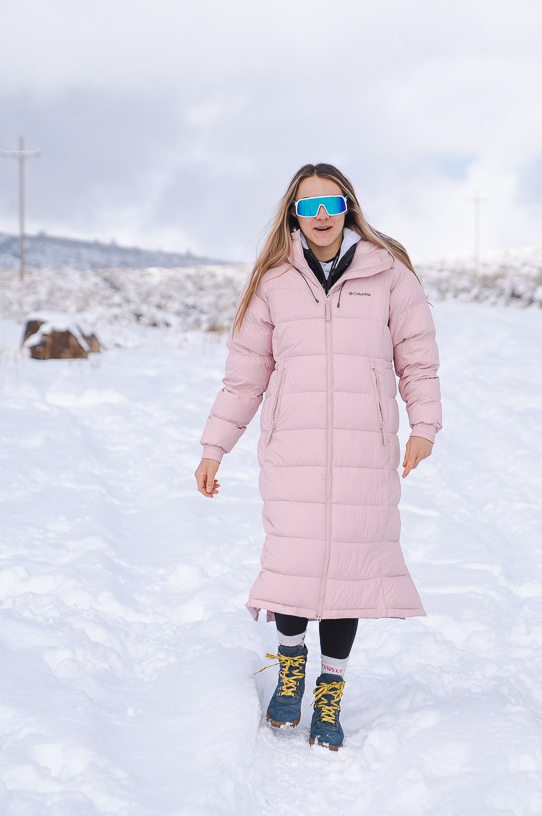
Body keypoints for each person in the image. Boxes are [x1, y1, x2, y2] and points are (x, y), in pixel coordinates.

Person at [194, 163, 441, 750]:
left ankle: (329, 698)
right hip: (294, 447)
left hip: (365, 445)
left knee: (347, 573)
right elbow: (244, 378)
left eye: (331, 203)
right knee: (294, 565)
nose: (322, 215)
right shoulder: (275, 283)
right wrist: (213, 447)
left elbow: (418, 356)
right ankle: (290, 669)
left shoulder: (389, 275)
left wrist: (423, 426)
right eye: (309, 207)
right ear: (294, 215)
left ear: (349, 206)